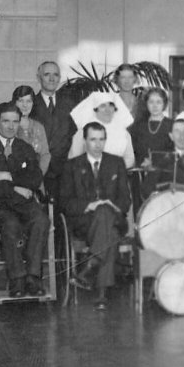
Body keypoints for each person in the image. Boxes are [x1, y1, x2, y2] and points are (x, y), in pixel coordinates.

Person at [0, 103, 49, 298]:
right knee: (10, 223)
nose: (11, 126)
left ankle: (33, 277)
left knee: (41, 220)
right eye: (6, 121)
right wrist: (15, 187)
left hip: (23, 204)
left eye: (15, 121)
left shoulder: (25, 148)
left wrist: (6, 175)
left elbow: (35, 179)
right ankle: (17, 280)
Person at [60, 122, 131, 310]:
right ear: (85, 141)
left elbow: (126, 200)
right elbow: (65, 202)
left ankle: (90, 268)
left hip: (114, 217)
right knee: (107, 228)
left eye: (101, 139)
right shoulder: (72, 166)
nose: (98, 144)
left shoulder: (116, 163)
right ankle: (101, 291)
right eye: (93, 140)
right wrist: (89, 205)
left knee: (106, 214)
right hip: (85, 222)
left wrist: (111, 205)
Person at [29, 61, 78, 205]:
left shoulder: (70, 104)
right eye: (47, 74)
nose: (51, 79)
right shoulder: (30, 104)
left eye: (55, 75)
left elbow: (75, 135)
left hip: (64, 171)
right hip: (39, 169)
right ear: (38, 77)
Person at [70, 91, 135, 169]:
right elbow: (73, 159)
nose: (108, 110)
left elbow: (130, 158)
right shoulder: (83, 131)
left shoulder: (124, 133)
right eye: (103, 106)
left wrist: (114, 169)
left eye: (111, 105)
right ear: (96, 109)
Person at [128, 87, 174, 167]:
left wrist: (154, 162)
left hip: (164, 172)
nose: (155, 106)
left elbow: (175, 153)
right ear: (146, 103)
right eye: (151, 102)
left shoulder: (172, 125)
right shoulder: (138, 126)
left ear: (164, 104)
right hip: (140, 171)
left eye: (158, 102)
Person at [11, 85, 51, 175]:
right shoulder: (7, 125)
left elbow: (45, 155)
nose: (25, 105)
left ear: (33, 103)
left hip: (35, 180)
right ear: (14, 102)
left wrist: (37, 175)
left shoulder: (38, 127)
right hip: (13, 180)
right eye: (21, 101)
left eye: (28, 101)